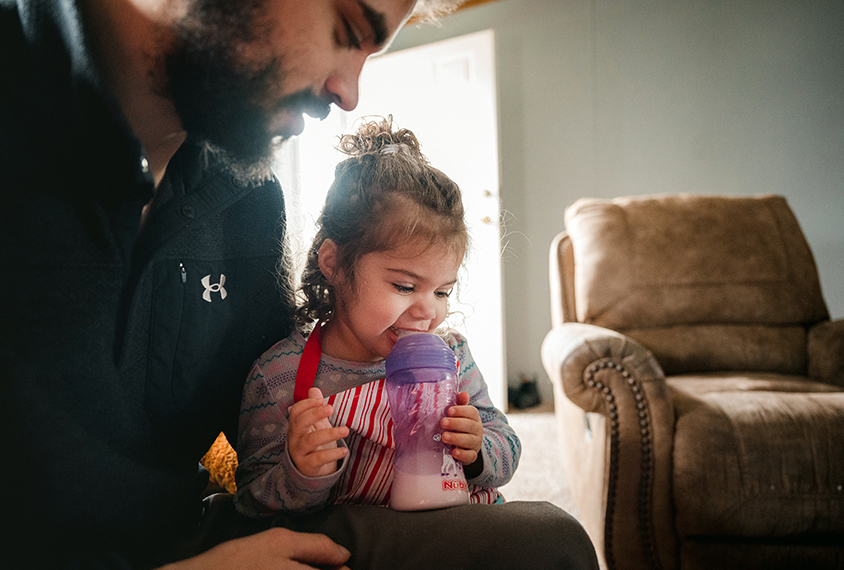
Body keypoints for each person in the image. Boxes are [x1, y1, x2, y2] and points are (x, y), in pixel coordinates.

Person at [0, 0, 600, 568]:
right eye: (345, 26)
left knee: (547, 544)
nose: (348, 93)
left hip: (190, 531)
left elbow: (254, 456)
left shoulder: (249, 195)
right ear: (335, 264)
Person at [235, 118, 518, 517]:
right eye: (404, 287)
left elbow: (506, 446)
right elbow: (250, 505)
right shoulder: (279, 374)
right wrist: (300, 471)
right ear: (334, 263)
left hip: (455, 533)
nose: (428, 311)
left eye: (442, 292)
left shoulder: (452, 357)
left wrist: (477, 450)